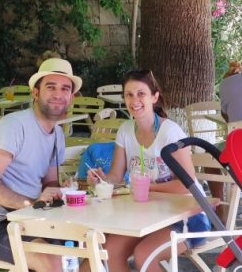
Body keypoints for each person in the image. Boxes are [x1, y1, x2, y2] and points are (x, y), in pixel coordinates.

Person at [86, 69, 210, 272]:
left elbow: (186, 185)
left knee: (144, 255)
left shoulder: (169, 132)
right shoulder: (125, 130)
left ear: (154, 97)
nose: (134, 100)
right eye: (129, 94)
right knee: (109, 252)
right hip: (148, 216)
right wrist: (101, 179)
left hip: (189, 215)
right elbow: (115, 176)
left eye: (141, 94)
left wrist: (148, 187)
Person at [0, 57, 80, 270]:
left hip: (33, 218)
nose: (58, 94)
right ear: (35, 93)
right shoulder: (13, 127)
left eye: (65, 89)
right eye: (51, 87)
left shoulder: (57, 134)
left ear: (71, 97)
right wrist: (32, 204)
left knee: (86, 247)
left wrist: (61, 190)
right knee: (53, 261)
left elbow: (49, 183)